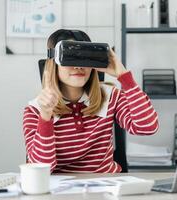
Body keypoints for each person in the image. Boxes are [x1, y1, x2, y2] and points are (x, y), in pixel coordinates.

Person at [23, 29, 159, 173]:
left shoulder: (110, 96)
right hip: (62, 191)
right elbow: (41, 170)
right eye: (70, 58)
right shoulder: (35, 110)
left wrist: (124, 76)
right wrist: (45, 116)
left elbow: (147, 127)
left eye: (84, 58)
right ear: (54, 63)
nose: (78, 66)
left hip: (106, 185)